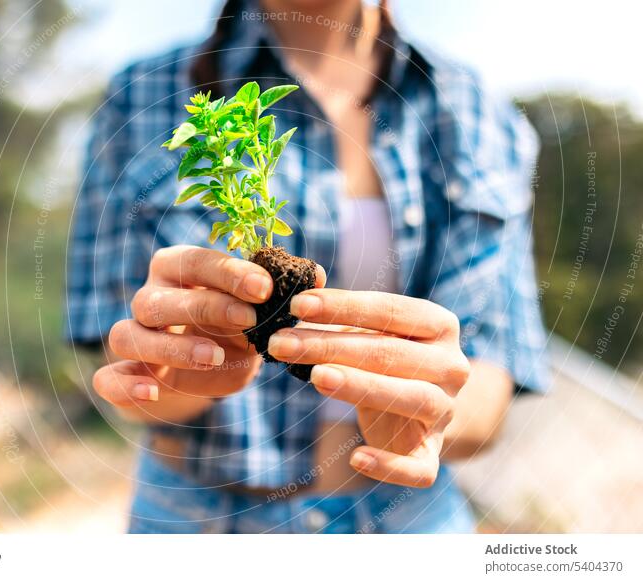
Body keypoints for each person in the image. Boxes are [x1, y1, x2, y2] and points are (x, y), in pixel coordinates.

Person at [66, 0, 549, 533]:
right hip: (198, 523)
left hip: (406, 522)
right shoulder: (144, 94)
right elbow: (126, 367)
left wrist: (427, 411)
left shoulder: (477, 112)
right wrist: (184, 368)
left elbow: (487, 381)